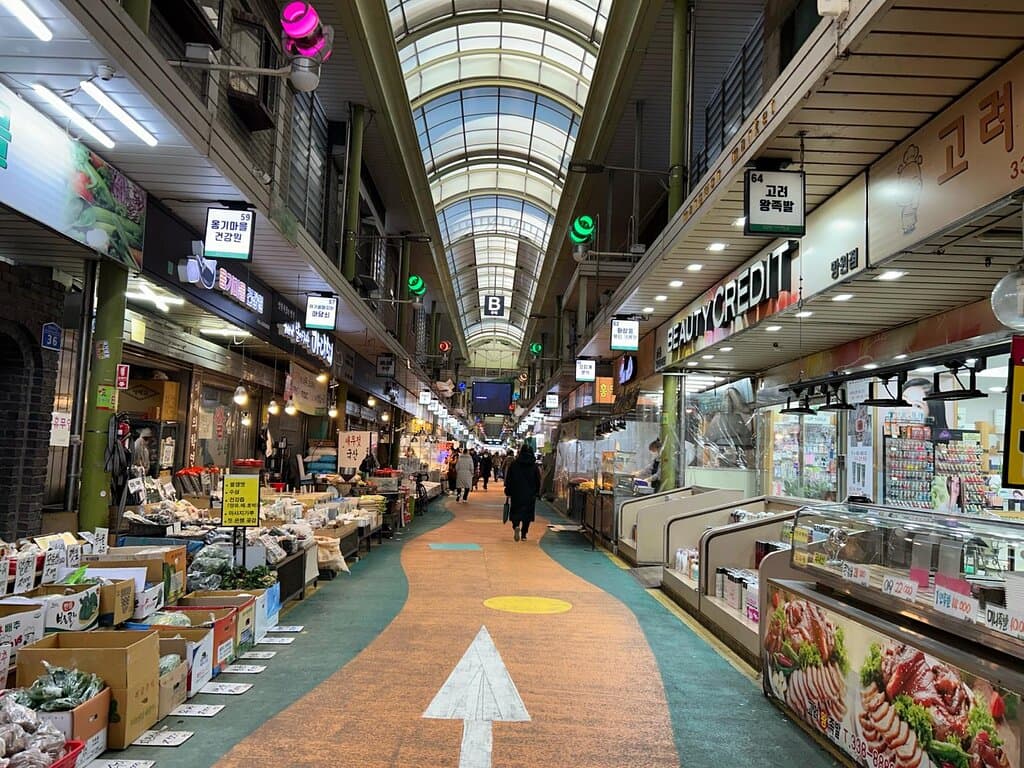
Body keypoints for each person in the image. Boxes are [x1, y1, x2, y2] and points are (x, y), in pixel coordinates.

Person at [504, 444, 541, 541]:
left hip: (516, 493)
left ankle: (516, 526)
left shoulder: (514, 464)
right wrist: (537, 492)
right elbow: (538, 480)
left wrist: (508, 490)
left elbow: (509, 479)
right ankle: (524, 534)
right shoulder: (534, 466)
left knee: (516, 511)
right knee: (527, 514)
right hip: (530, 494)